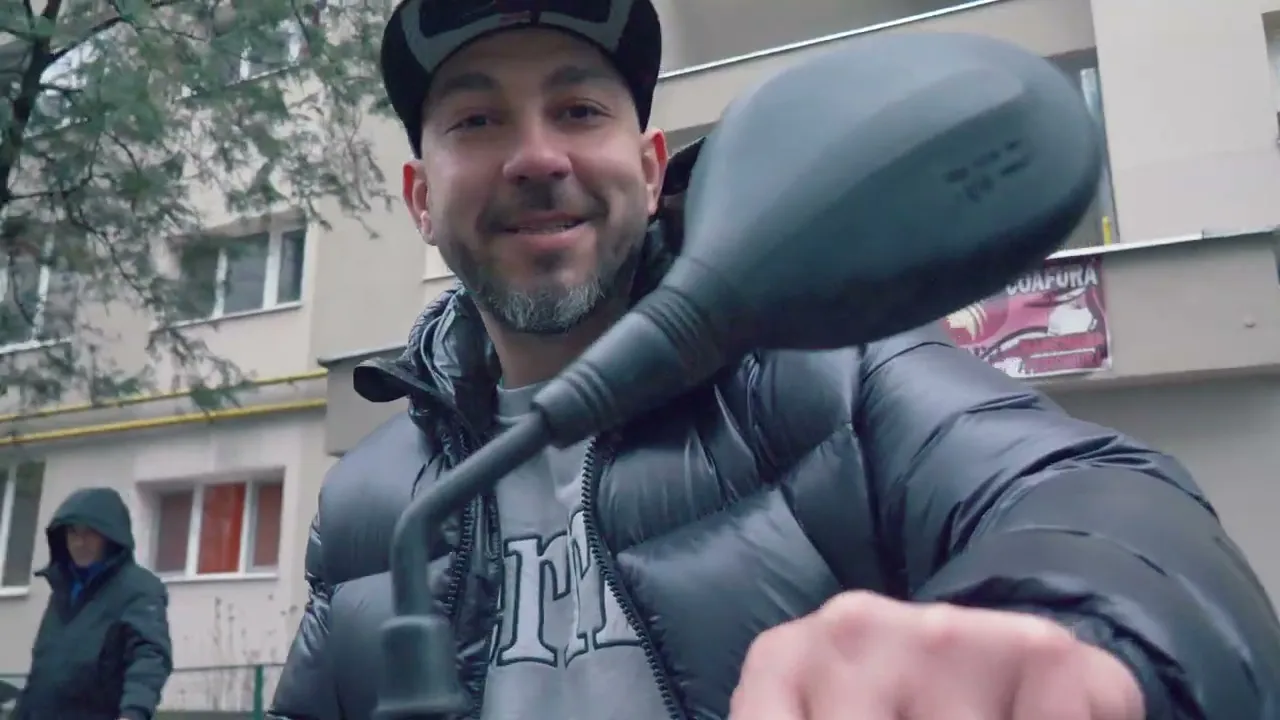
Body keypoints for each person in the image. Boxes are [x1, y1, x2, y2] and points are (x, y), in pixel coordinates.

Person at [270, 1, 1280, 718]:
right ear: (419, 197)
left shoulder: (824, 365)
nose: (537, 157)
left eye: (579, 110)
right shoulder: (367, 500)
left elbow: (1097, 496)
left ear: (650, 169)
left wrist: (1053, 628)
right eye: (478, 120)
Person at [14, 487, 173, 720]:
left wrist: (134, 712)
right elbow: (42, 674)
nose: (79, 542)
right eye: (72, 532)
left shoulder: (138, 589)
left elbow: (149, 656)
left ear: (110, 537)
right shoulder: (63, 590)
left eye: (90, 533)